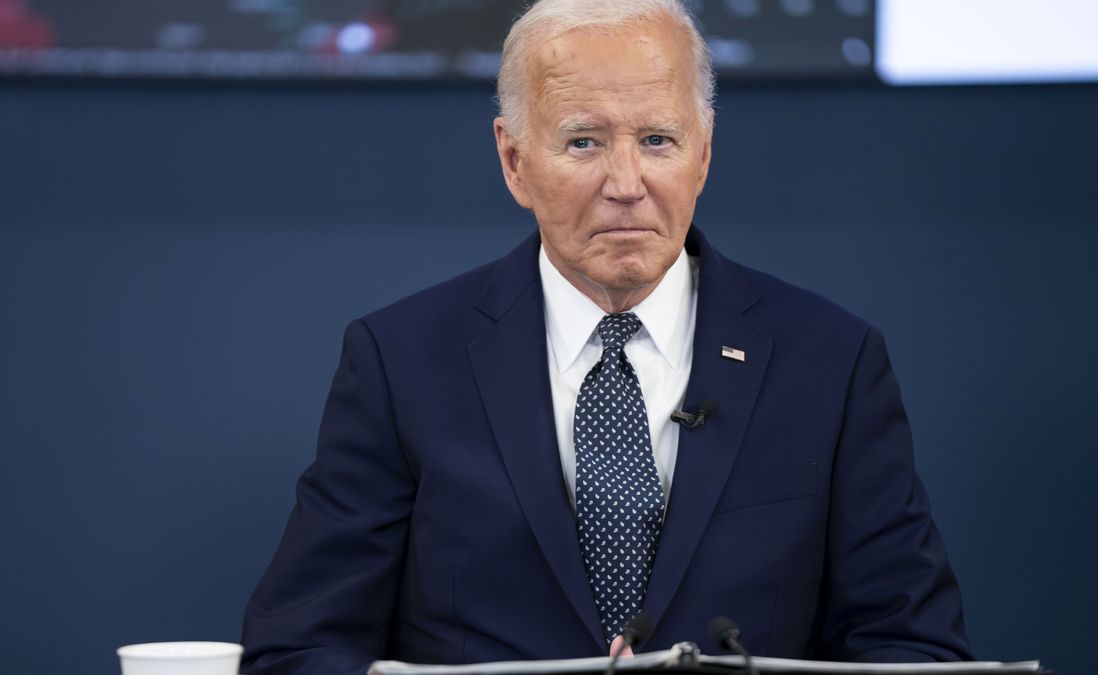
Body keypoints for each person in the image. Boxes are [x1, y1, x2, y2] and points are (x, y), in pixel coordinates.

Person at [240, 1, 971, 673]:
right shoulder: (400, 363)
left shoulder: (832, 365)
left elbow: (911, 646)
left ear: (704, 153)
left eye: (658, 140)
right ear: (515, 161)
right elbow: (301, 647)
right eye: (584, 142)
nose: (626, 181)